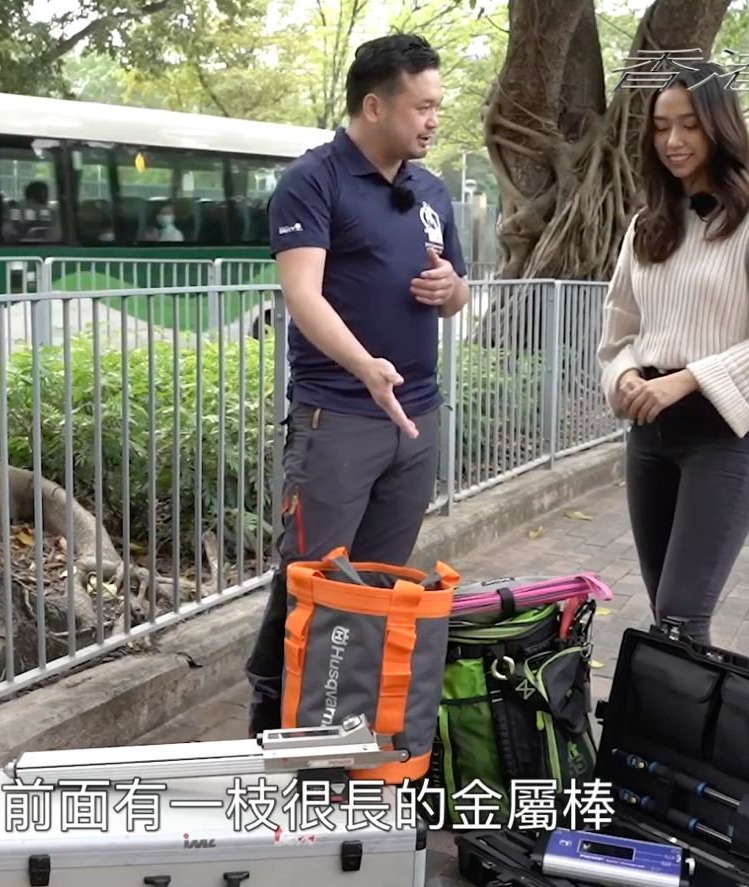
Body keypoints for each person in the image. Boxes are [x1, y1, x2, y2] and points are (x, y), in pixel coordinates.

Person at [242, 33, 470, 737]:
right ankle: (274, 716)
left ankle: (344, 721)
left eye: (437, 106)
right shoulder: (315, 180)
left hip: (415, 418)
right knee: (311, 578)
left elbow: (459, 293)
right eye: (421, 107)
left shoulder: (430, 191)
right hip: (336, 418)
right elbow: (303, 295)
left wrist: (452, 289)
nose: (433, 120)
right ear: (375, 106)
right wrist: (364, 366)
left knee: (375, 581)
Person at [596, 61, 749, 646]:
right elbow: (618, 333)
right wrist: (625, 377)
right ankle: (666, 709)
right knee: (665, 615)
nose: (673, 140)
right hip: (649, 435)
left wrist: (687, 379)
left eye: (689, 125)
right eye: (661, 126)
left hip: (725, 435)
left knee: (680, 616)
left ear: (721, 126)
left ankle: (677, 711)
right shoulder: (646, 225)